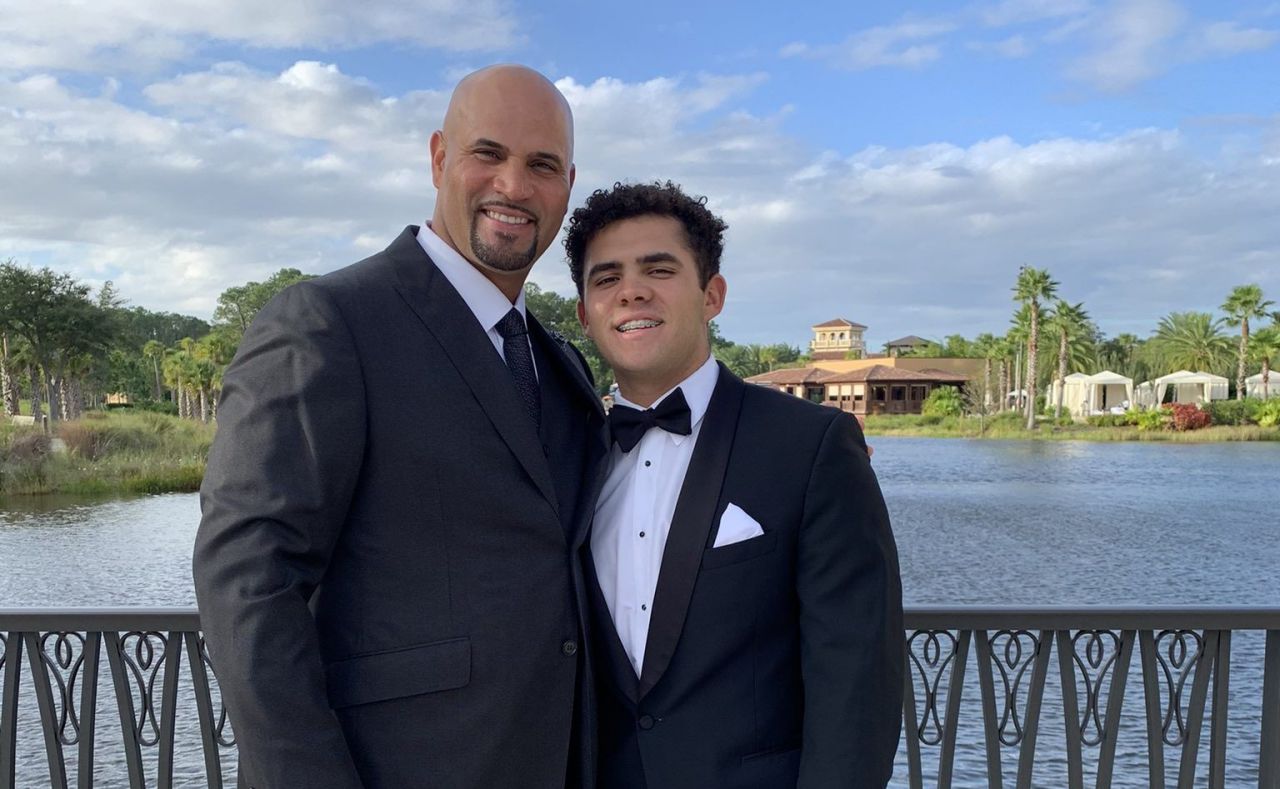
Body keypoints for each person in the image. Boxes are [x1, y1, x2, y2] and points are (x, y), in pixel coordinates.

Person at [193, 65, 608, 788]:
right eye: (488, 153)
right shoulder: (328, 323)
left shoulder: (560, 364)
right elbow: (248, 581)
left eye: (542, 165)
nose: (514, 185)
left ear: (567, 186)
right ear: (439, 157)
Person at [565, 181, 904, 788]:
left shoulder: (810, 445)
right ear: (586, 316)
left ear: (712, 295)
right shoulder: (567, 454)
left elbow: (856, 675)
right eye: (606, 277)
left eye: (659, 269)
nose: (631, 291)